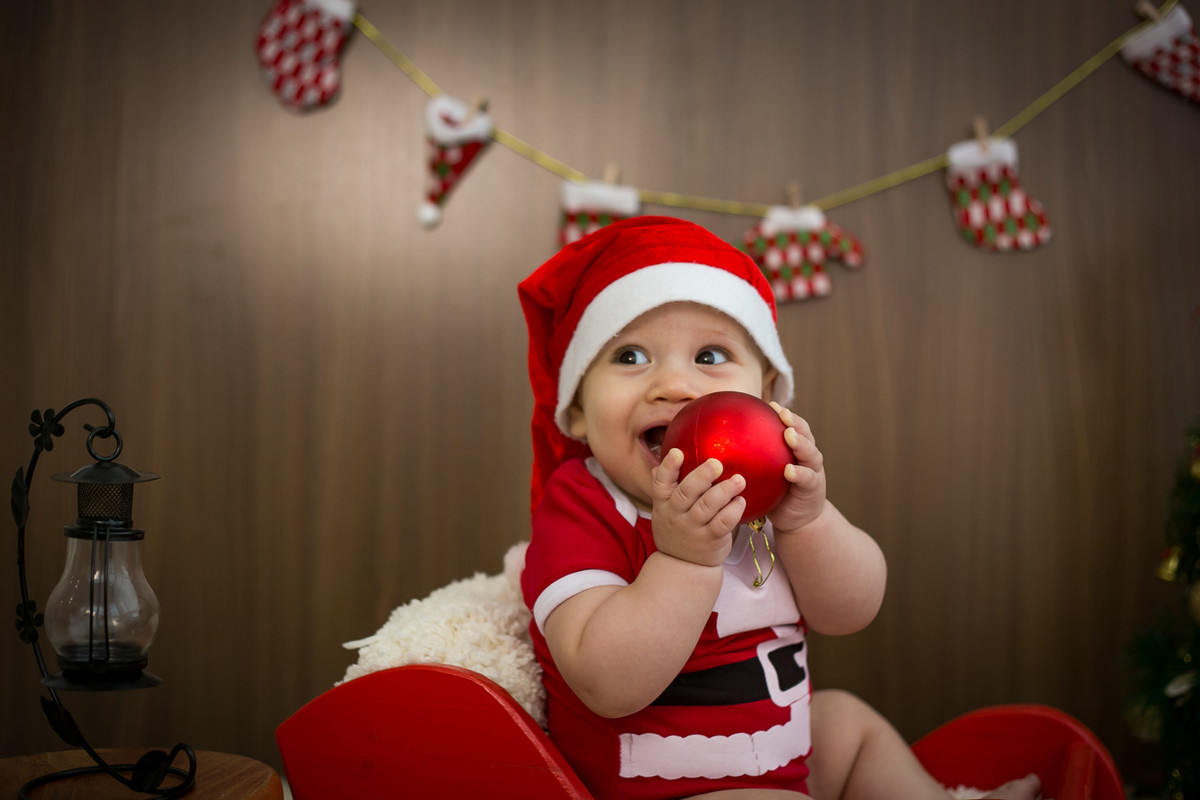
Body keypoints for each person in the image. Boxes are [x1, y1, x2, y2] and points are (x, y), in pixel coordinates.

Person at [517, 216, 1040, 800]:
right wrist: (685, 560)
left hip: (775, 756)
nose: (675, 385)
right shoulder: (580, 505)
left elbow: (850, 611)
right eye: (631, 356)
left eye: (711, 355)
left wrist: (808, 522)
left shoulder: (775, 498)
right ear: (578, 411)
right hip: (663, 785)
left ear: (766, 397)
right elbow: (603, 681)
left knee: (847, 725)